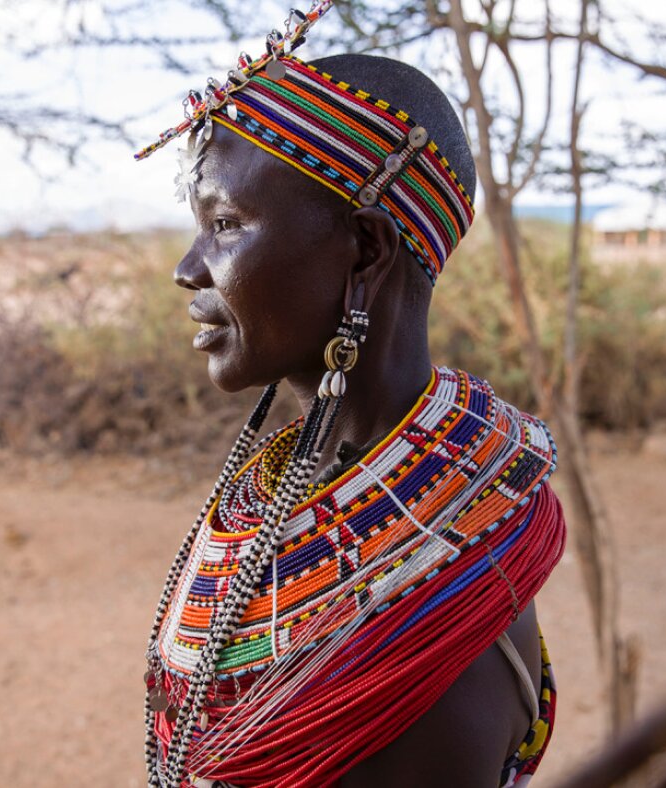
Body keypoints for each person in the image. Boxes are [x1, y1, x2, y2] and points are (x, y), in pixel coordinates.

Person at [136, 5, 567, 786]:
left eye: (226, 224)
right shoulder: (303, 486)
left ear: (365, 250)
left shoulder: (433, 591)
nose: (189, 269)